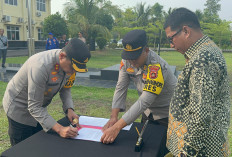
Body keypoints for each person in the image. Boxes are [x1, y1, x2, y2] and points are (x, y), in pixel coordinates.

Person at [163, 8, 231, 157]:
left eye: (171, 39)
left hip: (200, 151)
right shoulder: (205, 51)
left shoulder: (203, 58)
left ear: (186, 31)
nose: (171, 45)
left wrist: (187, 152)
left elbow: (201, 116)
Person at [3, 38, 91, 146]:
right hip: (19, 108)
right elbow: (34, 106)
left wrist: (69, 109)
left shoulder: (69, 65)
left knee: (38, 145)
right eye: (72, 68)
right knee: (23, 148)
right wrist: (60, 129)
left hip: (38, 108)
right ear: (62, 56)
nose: (73, 72)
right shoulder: (41, 66)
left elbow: (66, 88)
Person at [101, 30, 177, 154]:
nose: (131, 61)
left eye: (135, 57)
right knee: (144, 149)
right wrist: (114, 117)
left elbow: (145, 100)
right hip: (147, 114)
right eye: (128, 56)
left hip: (167, 114)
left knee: (162, 150)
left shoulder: (156, 66)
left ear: (146, 50)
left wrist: (117, 128)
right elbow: (121, 87)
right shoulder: (127, 60)